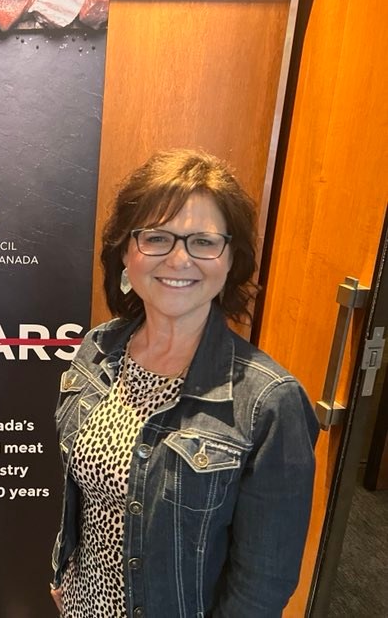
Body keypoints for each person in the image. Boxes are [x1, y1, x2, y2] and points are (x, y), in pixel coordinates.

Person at [50, 149, 319, 617]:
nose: (179, 259)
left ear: (231, 258)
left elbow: (262, 585)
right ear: (126, 254)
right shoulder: (98, 349)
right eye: (157, 237)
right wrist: (65, 572)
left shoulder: (270, 403)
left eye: (203, 241)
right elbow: (87, 502)